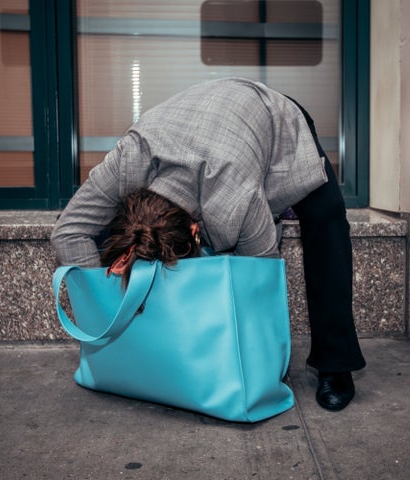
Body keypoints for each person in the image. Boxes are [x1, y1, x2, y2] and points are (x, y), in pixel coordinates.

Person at [51, 77, 366, 411]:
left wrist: (263, 367)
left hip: (274, 119)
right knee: (101, 235)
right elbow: (68, 232)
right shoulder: (128, 160)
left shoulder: (236, 200)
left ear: (196, 230)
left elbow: (261, 285)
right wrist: (107, 316)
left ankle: (336, 362)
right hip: (193, 123)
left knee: (327, 216)